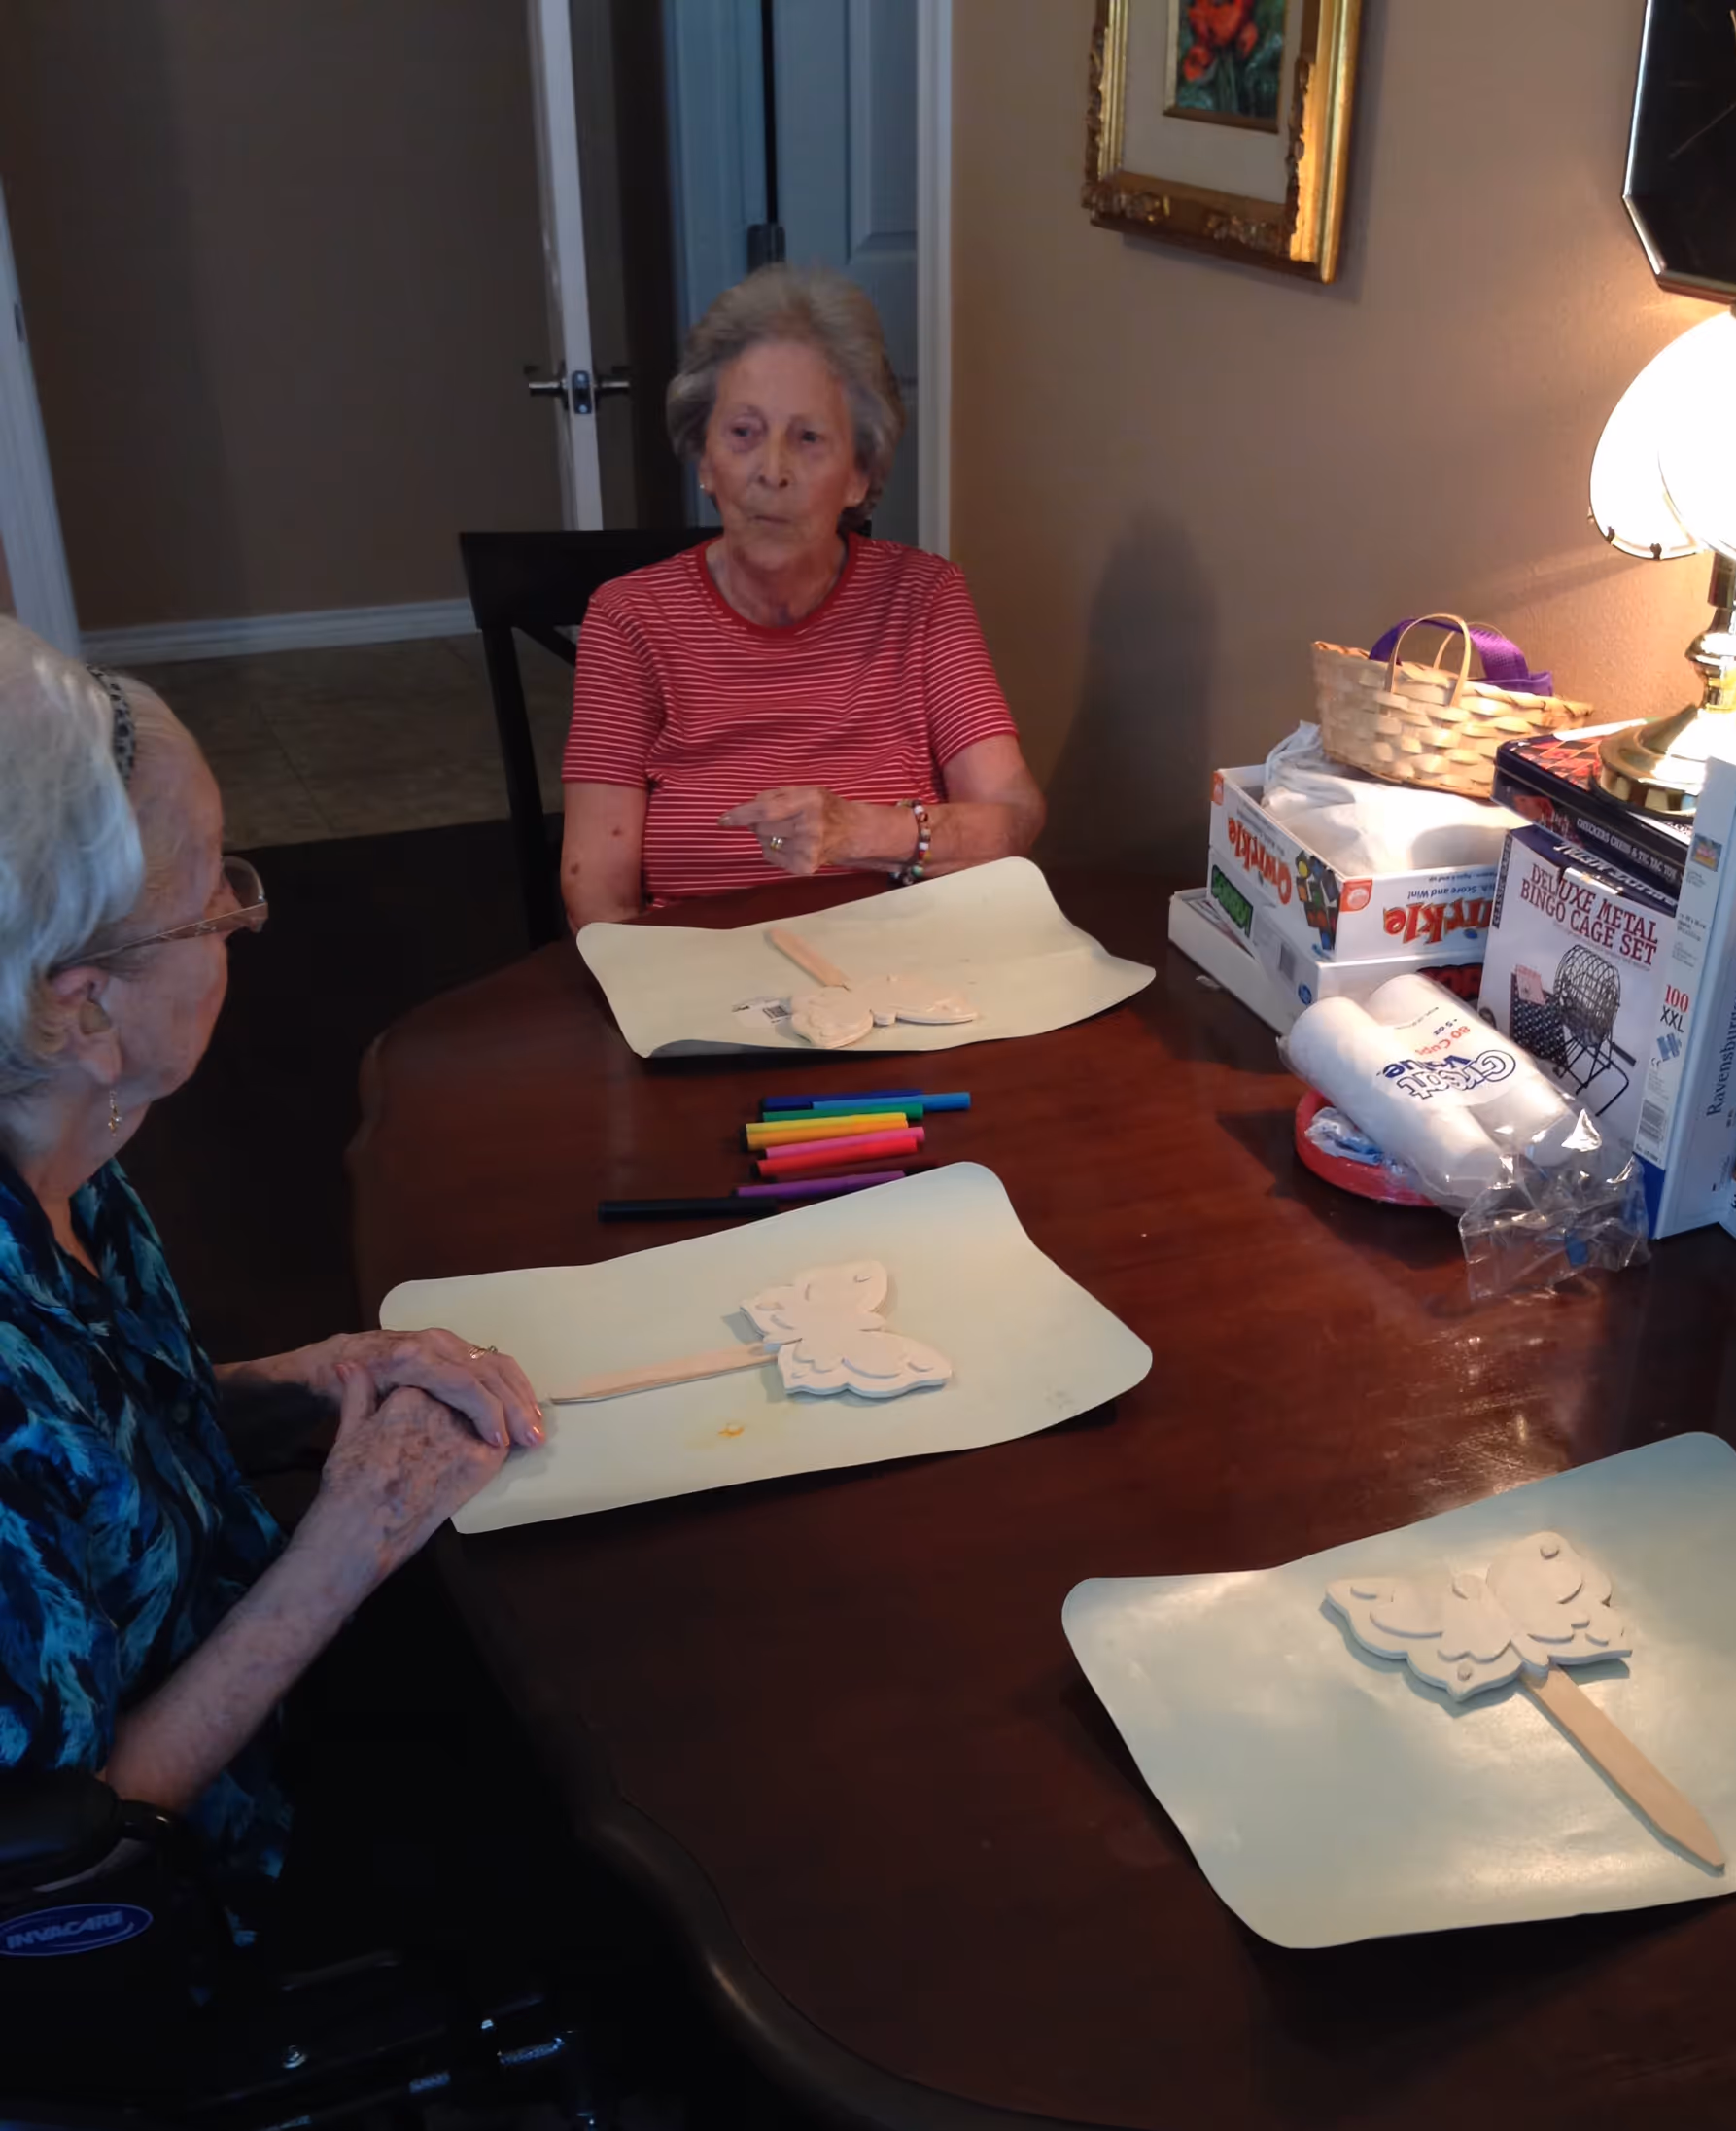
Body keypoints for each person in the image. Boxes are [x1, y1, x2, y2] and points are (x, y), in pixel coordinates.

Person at [0, 617, 545, 1923]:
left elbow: (104, 1458)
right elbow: (71, 1842)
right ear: (80, 1006)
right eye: (215, 898)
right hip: (183, 1897)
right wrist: (344, 1544)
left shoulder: (66, 1142)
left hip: (246, 1628)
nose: (243, 921)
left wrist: (308, 1382)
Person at [559, 262, 1044, 926]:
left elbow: (1014, 821)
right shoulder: (629, 619)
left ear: (858, 475)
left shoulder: (924, 598)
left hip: (907, 968)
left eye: (809, 438)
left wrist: (860, 832)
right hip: (702, 974)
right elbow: (597, 892)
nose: (772, 471)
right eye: (743, 433)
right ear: (705, 459)